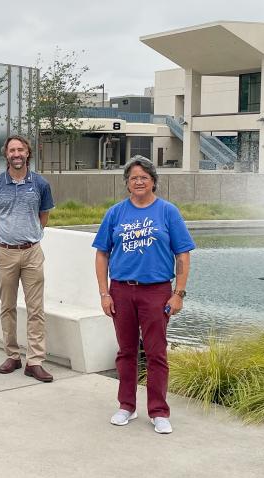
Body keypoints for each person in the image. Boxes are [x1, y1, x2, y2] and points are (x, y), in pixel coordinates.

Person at [92, 155, 194, 434]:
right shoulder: (115, 213)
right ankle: (126, 406)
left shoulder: (168, 212)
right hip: (122, 291)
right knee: (126, 351)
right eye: (133, 178)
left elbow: (182, 254)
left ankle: (159, 411)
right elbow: (102, 254)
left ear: (153, 182)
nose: (138, 182)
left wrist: (179, 293)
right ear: (127, 183)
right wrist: (104, 293)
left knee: (156, 352)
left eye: (144, 177)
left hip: (157, 292)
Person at [0, 135, 55, 383]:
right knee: (7, 306)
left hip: (32, 252)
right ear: (6, 154)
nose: (16, 154)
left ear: (27, 153)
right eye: (12, 150)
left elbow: (43, 216)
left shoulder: (41, 184)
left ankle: (35, 361)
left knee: (36, 309)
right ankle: (12, 355)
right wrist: (5, 237)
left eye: (20, 149)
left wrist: (29, 235)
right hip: (5, 252)